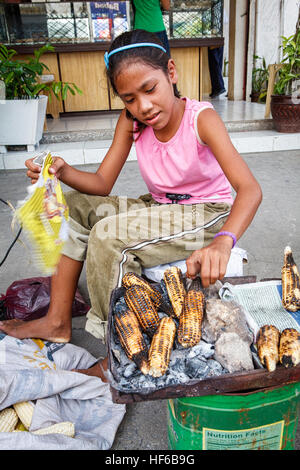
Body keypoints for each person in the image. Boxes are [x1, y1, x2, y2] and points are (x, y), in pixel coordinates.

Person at [0, 29, 262, 380]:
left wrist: (223, 240)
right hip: (159, 208)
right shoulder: (133, 122)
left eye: (149, 89)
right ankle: (57, 320)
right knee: (75, 205)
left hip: (207, 214)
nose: (143, 106)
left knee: (109, 235)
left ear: (171, 73)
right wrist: (61, 171)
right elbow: (101, 184)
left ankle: (120, 359)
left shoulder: (202, 119)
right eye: (129, 98)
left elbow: (249, 189)